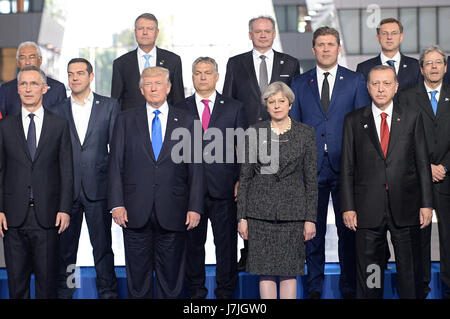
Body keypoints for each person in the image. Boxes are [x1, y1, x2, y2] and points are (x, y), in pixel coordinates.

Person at [107, 66, 203, 299]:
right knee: (137, 280)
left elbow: (197, 170)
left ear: (169, 88)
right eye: (148, 84)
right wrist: (116, 203)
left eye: (158, 83)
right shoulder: (125, 119)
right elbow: (115, 165)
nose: (153, 88)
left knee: (172, 280)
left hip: (174, 209)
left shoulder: (189, 121)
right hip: (134, 211)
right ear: (141, 90)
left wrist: (195, 207)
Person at [289, 26, 370, 299]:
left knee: (349, 233)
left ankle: (348, 288)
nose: (325, 49)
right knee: (312, 234)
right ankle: (313, 288)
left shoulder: (356, 81)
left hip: (346, 170)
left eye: (330, 44)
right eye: (320, 44)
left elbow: (362, 126)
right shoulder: (300, 84)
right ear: (313, 49)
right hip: (310, 171)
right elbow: (295, 129)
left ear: (339, 48)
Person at [340, 65, 433, 299]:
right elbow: (347, 167)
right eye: (375, 84)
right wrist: (348, 206)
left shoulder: (412, 117)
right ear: (368, 87)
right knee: (371, 270)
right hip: (367, 209)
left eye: (386, 83)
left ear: (396, 87)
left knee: (408, 270)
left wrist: (426, 204)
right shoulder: (353, 120)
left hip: (406, 206)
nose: (381, 89)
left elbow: (423, 163)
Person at [222, 15, 300, 270]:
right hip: (247, 140)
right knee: (249, 195)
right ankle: (249, 250)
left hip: (280, 139)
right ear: (250, 34)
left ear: (274, 33)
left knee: (276, 196)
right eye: (258, 31)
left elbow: (294, 106)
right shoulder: (236, 64)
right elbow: (229, 104)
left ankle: (279, 250)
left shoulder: (290, 63)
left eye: (267, 31)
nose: (263, 35)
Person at [175, 57, 248, 299]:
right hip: (189, 193)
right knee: (192, 248)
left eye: (207, 72)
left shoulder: (234, 107)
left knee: (226, 248)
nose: (203, 77)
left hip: (225, 190)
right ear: (192, 77)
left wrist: (240, 180)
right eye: (198, 73)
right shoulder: (179, 108)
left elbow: (244, 148)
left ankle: (226, 294)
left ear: (217, 77)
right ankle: (196, 293)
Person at [237, 81, 318, 299]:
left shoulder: (305, 133)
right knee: (265, 273)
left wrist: (310, 219)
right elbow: (244, 177)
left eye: (281, 101)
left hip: (293, 215)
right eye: (271, 101)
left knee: (289, 272)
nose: (277, 105)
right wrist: (241, 217)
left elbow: (311, 181)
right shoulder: (254, 132)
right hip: (259, 214)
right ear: (266, 105)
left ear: (290, 104)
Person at [0, 65, 73, 298]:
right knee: (16, 286)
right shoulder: (4, 126)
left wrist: (64, 208)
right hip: (13, 217)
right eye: (23, 84)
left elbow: (66, 170)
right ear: (17, 90)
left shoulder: (59, 124)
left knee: (47, 286)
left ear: (44, 88)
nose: (28, 89)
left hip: (49, 216)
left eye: (33, 84)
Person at [48, 58, 119, 299]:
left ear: (91, 77)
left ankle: (108, 292)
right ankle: (66, 292)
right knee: (66, 252)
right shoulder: (57, 110)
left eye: (80, 73)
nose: (74, 78)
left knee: (102, 249)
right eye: (70, 74)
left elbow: (116, 152)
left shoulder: (109, 106)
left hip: (98, 190)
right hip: (66, 193)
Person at [398, 46, 450, 299]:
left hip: (448, 177)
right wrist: (425, 167)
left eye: (438, 62)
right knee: (419, 236)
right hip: (418, 179)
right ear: (421, 69)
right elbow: (402, 138)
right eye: (428, 63)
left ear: (445, 66)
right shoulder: (407, 97)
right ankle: (422, 287)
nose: (433, 67)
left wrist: (444, 166)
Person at [111, 13, 184, 110]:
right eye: (141, 29)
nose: (145, 32)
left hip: (165, 121)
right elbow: (116, 101)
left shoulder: (173, 60)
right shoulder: (121, 63)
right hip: (131, 121)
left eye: (149, 29)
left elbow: (178, 99)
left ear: (157, 32)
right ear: (135, 32)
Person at [0, 41, 66, 117]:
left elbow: (63, 122)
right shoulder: (6, 89)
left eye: (32, 57)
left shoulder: (57, 88)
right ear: (18, 62)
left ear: (40, 60)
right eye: (23, 58)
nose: (27, 62)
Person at [356, 18, 420, 92]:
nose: (389, 37)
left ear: (401, 37)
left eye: (394, 33)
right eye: (384, 33)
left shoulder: (416, 66)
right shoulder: (364, 68)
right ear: (378, 38)